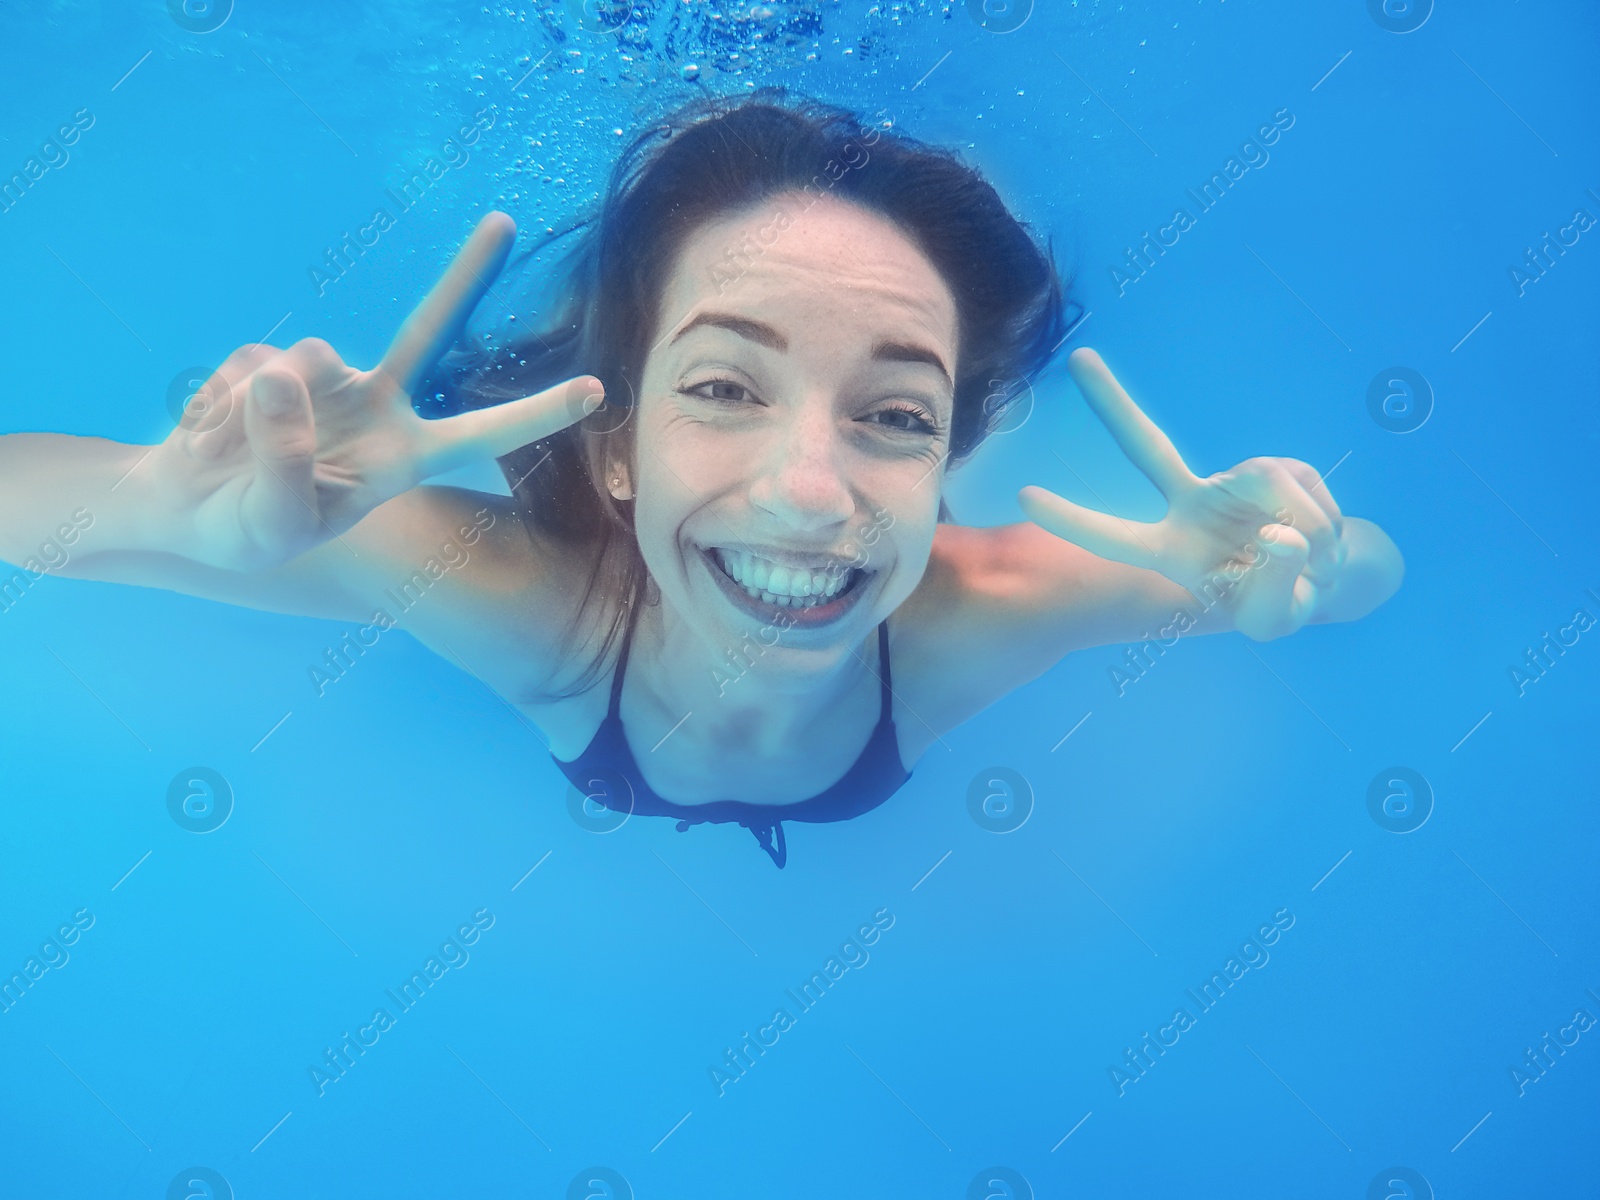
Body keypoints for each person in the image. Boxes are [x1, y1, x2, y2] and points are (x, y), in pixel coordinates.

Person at [0, 90, 1403, 868]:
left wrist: (1306, 560)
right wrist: (167, 510)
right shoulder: (533, 604)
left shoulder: (987, 604)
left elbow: (1344, 580)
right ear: (618, 448)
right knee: (471, 395)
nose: (808, 492)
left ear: (950, 462)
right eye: (725, 389)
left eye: (898, 420)